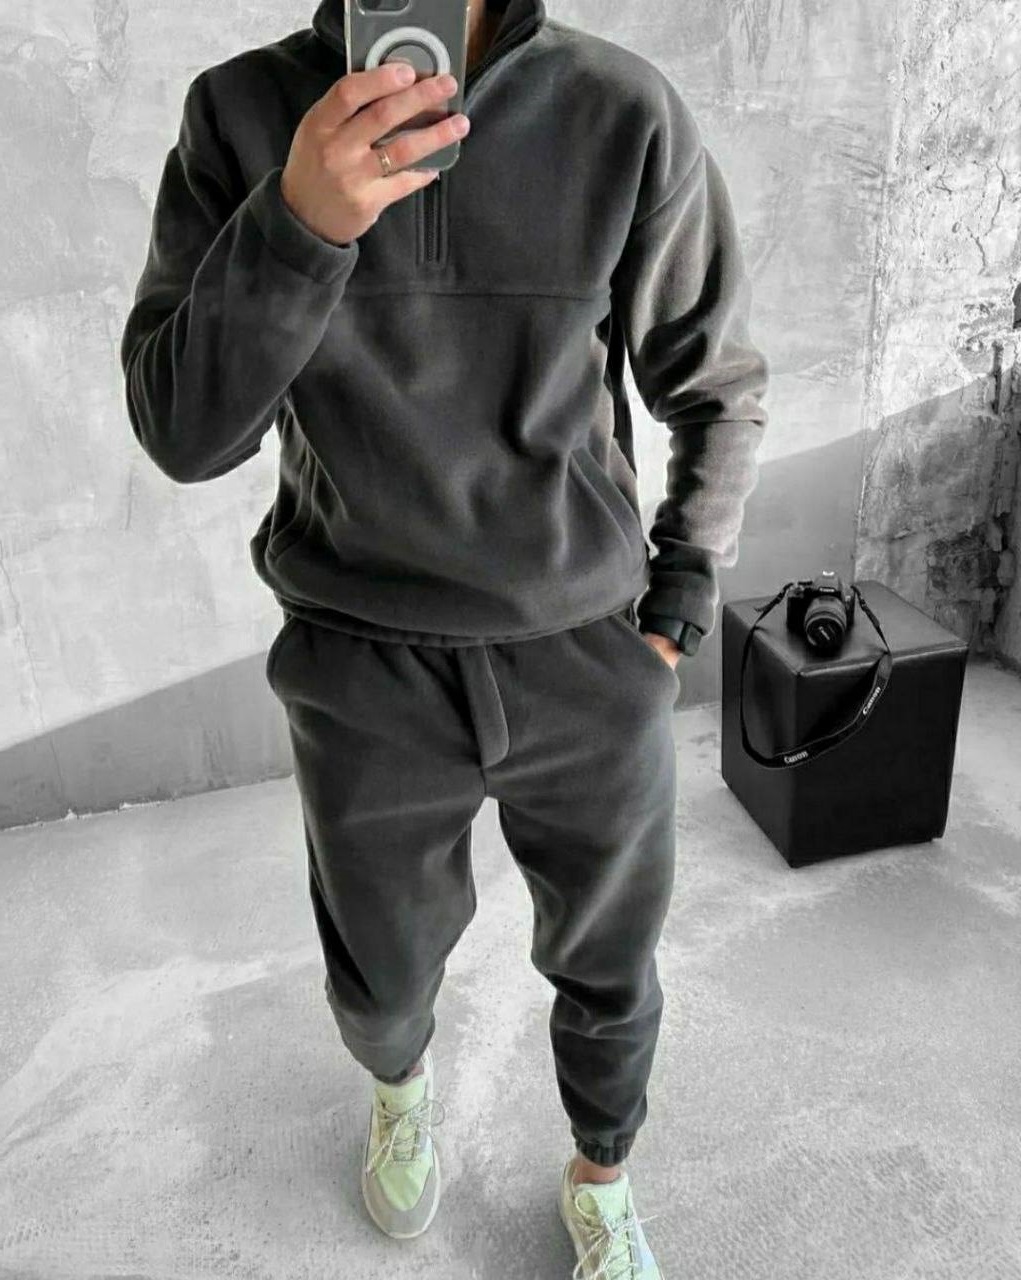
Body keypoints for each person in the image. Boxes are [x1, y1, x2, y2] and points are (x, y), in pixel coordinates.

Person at [120, 0, 769, 1274]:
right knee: (377, 976)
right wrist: (300, 222)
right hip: (360, 662)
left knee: (612, 966)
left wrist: (678, 601)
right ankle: (399, 1090)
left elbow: (715, 385)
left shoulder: (620, 110)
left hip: (586, 655)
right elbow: (183, 431)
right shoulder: (239, 114)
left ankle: (600, 1172)